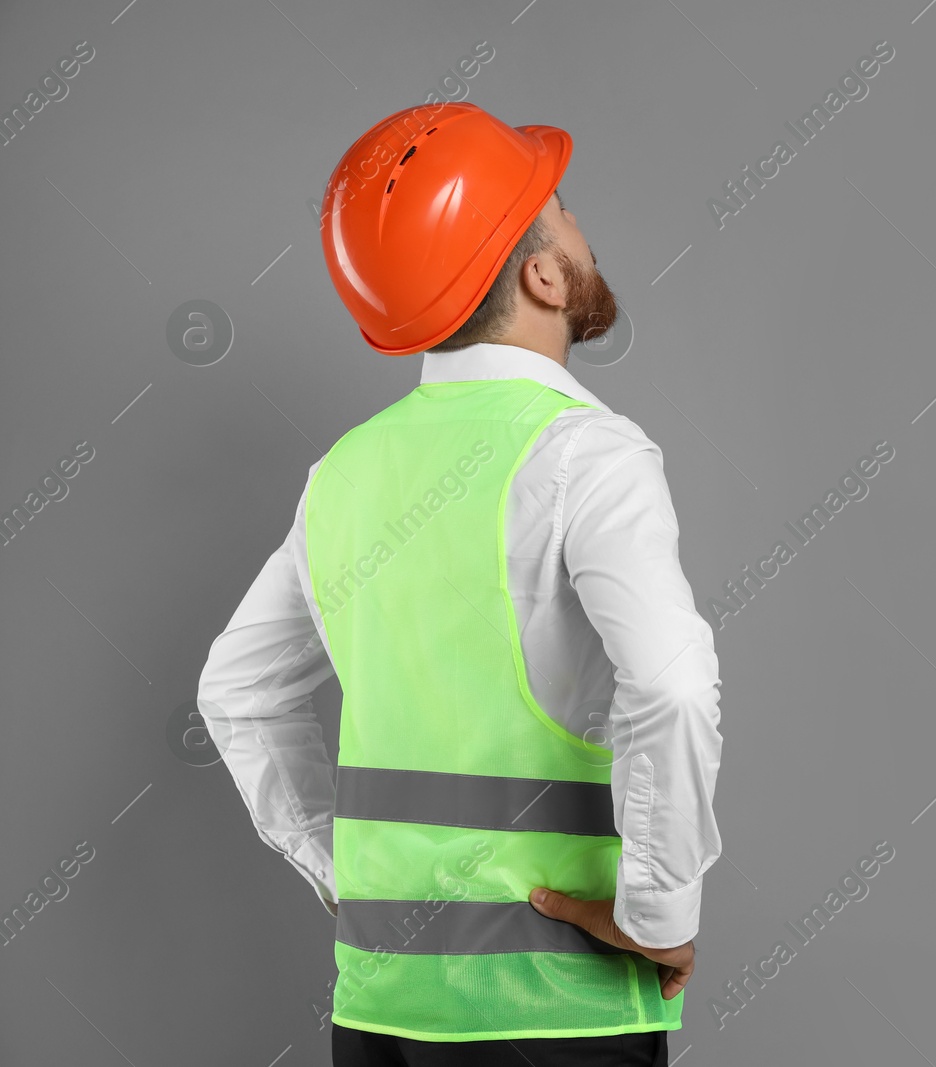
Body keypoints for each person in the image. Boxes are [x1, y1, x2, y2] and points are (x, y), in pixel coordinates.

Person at [195, 102, 724, 1066]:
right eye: (562, 212)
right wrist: (657, 912)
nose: (581, 231)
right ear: (544, 272)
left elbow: (235, 691)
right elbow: (675, 685)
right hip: (554, 1012)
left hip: (379, 1011)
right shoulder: (589, 456)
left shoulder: (345, 472)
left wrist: (349, 875)